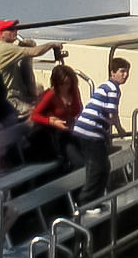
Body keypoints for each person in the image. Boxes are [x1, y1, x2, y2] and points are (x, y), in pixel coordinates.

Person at [71, 57, 131, 203]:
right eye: (122, 71)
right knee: (98, 168)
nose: (125, 75)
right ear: (113, 72)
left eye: (127, 72)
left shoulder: (105, 86)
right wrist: (120, 129)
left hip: (85, 131)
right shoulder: (113, 89)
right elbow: (112, 114)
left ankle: (93, 200)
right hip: (90, 132)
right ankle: (86, 201)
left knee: (101, 166)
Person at [26, 64, 83, 170]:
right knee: (77, 161)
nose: (67, 86)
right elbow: (35, 115)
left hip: (69, 130)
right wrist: (51, 121)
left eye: (69, 83)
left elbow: (77, 109)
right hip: (55, 134)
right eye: (63, 84)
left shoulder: (74, 91)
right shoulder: (51, 94)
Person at [0, 22, 56, 116]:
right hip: (10, 100)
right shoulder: (4, 47)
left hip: (13, 96)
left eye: (15, 28)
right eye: (10, 29)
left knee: (41, 90)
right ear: (0, 34)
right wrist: (51, 44)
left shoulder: (6, 48)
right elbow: (35, 52)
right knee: (37, 114)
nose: (15, 31)